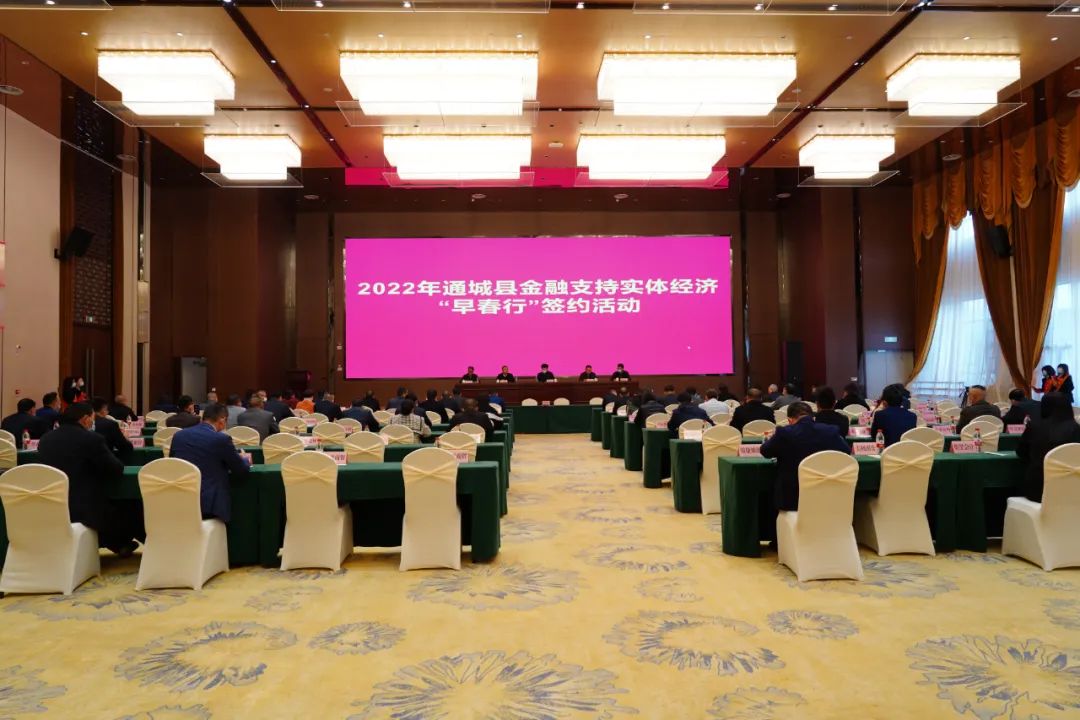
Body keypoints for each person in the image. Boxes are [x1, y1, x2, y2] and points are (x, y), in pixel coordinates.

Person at [36, 402, 141, 555]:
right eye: (93, 418)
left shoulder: (45, 439)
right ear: (86, 419)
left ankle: (119, 543)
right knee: (131, 505)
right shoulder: (92, 439)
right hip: (85, 508)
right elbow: (116, 469)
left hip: (52, 505)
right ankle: (130, 543)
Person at [761, 402, 850, 511]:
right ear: (813, 417)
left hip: (791, 499)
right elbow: (846, 452)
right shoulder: (830, 431)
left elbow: (765, 451)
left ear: (789, 420)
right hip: (824, 495)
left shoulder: (784, 433)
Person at [169, 403, 251, 522]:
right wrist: (244, 458)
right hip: (209, 506)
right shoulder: (221, 439)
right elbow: (241, 470)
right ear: (222, 420)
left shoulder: (179, 435)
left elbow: (173, 463)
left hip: (181, 500)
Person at [1016, 391, 1080, 501]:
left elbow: (1021, 452)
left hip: (1038, 489)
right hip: (1072, 489)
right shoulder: (1076, 429)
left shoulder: (1034, 426)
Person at [92, 397, 133, 462]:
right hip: (105, 461)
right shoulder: (110, 424)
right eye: (106, 409)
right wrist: (125, 439)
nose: (108, 411)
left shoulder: (81, 424)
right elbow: (125, 447)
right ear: (103, 409)